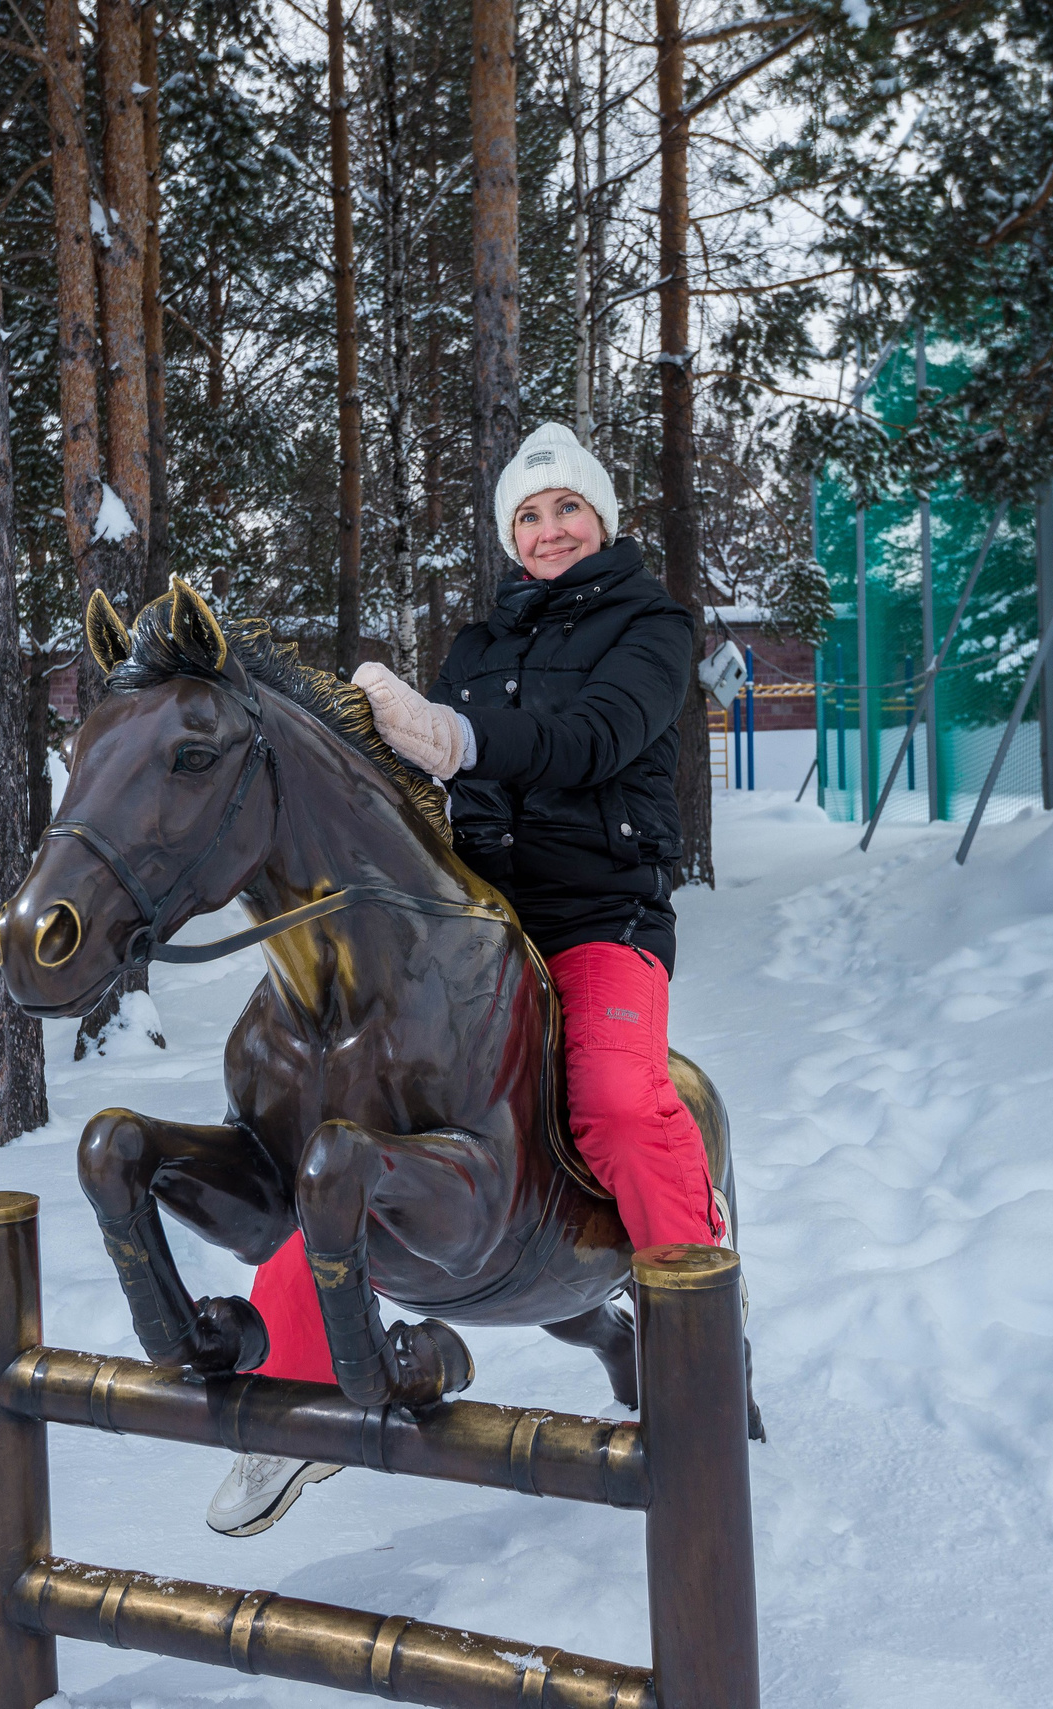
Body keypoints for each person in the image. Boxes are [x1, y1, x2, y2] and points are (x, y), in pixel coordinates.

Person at [202, 422, 723, 1538]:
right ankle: (292, 1388)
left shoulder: (652, 625)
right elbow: (425, 788)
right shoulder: (479, 639)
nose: (547, 530)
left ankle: (698, 1339)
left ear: (603, 518)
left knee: (623, 1104)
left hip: (595, 917)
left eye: (567, 509)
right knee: (332, 1116)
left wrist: (454, 732)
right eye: (527, 516)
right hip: (473, 919)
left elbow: (594, 737)